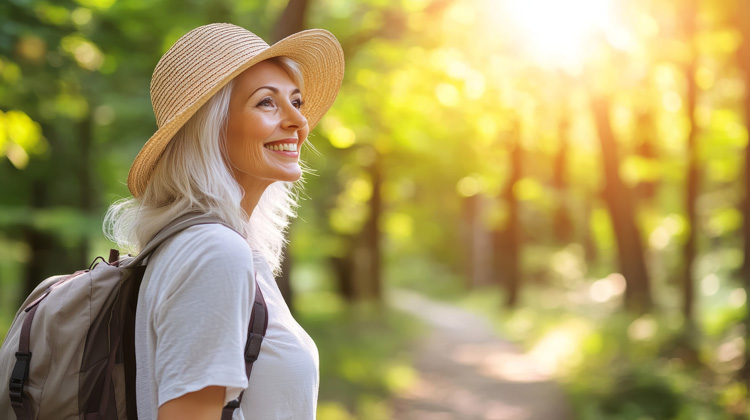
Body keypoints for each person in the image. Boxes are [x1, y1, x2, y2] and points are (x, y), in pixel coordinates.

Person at [103, 23, 345, 420]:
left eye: (296, 102)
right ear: (211, 128)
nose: (298, 123)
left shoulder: (213, 246)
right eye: (267, 103)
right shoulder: (215, 252)